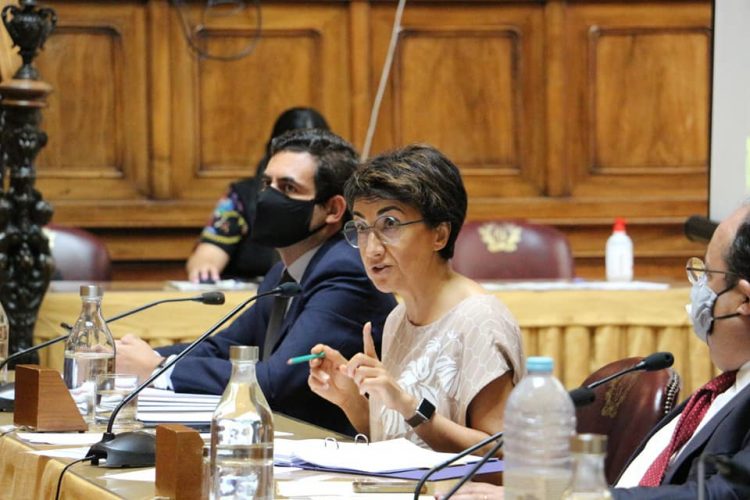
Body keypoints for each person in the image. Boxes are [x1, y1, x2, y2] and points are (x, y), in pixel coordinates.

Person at [441, 201, 750, 499]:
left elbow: (724, 494)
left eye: (709, 276)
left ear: (745, 301)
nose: (698, 289)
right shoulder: (723, 390)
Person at [117, 129, 397, 434]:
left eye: (287, 187)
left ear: (333, 210)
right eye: (266, 184)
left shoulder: (345, 272)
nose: (267, 197)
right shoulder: (282, 274)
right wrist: (137, 357)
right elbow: (224, 347)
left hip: (337, 448)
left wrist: (158, 370)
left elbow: (274, 383)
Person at [307, 145, 525, 453]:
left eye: (390, 224)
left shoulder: (481, 320)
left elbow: (501, 453)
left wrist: (410, 406)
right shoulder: (398, 318)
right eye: (362, 228)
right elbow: (403, 443)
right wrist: (350, 399)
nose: (372, 249)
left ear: (440, 235)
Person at [187, 107, 330, 283]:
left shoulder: (336, 199)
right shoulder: (241, 197)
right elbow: (207, 257)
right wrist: (206, 268)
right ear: (273, 153)